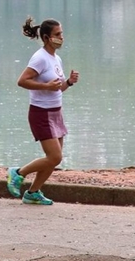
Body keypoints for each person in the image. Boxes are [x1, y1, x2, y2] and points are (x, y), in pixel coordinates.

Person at [7, 17, 80, 205]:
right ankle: (17, 173)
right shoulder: (39, 58)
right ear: (47, 38)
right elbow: (22, 81)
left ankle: (33, 193)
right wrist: (46, 86)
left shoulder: (56, 59)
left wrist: (69, 83)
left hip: (56, 112)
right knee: (55, 156)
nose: (61, 38)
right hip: (41, 113)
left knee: (53, 160)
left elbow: (57, 88)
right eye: (57, 35)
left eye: (61, 34)